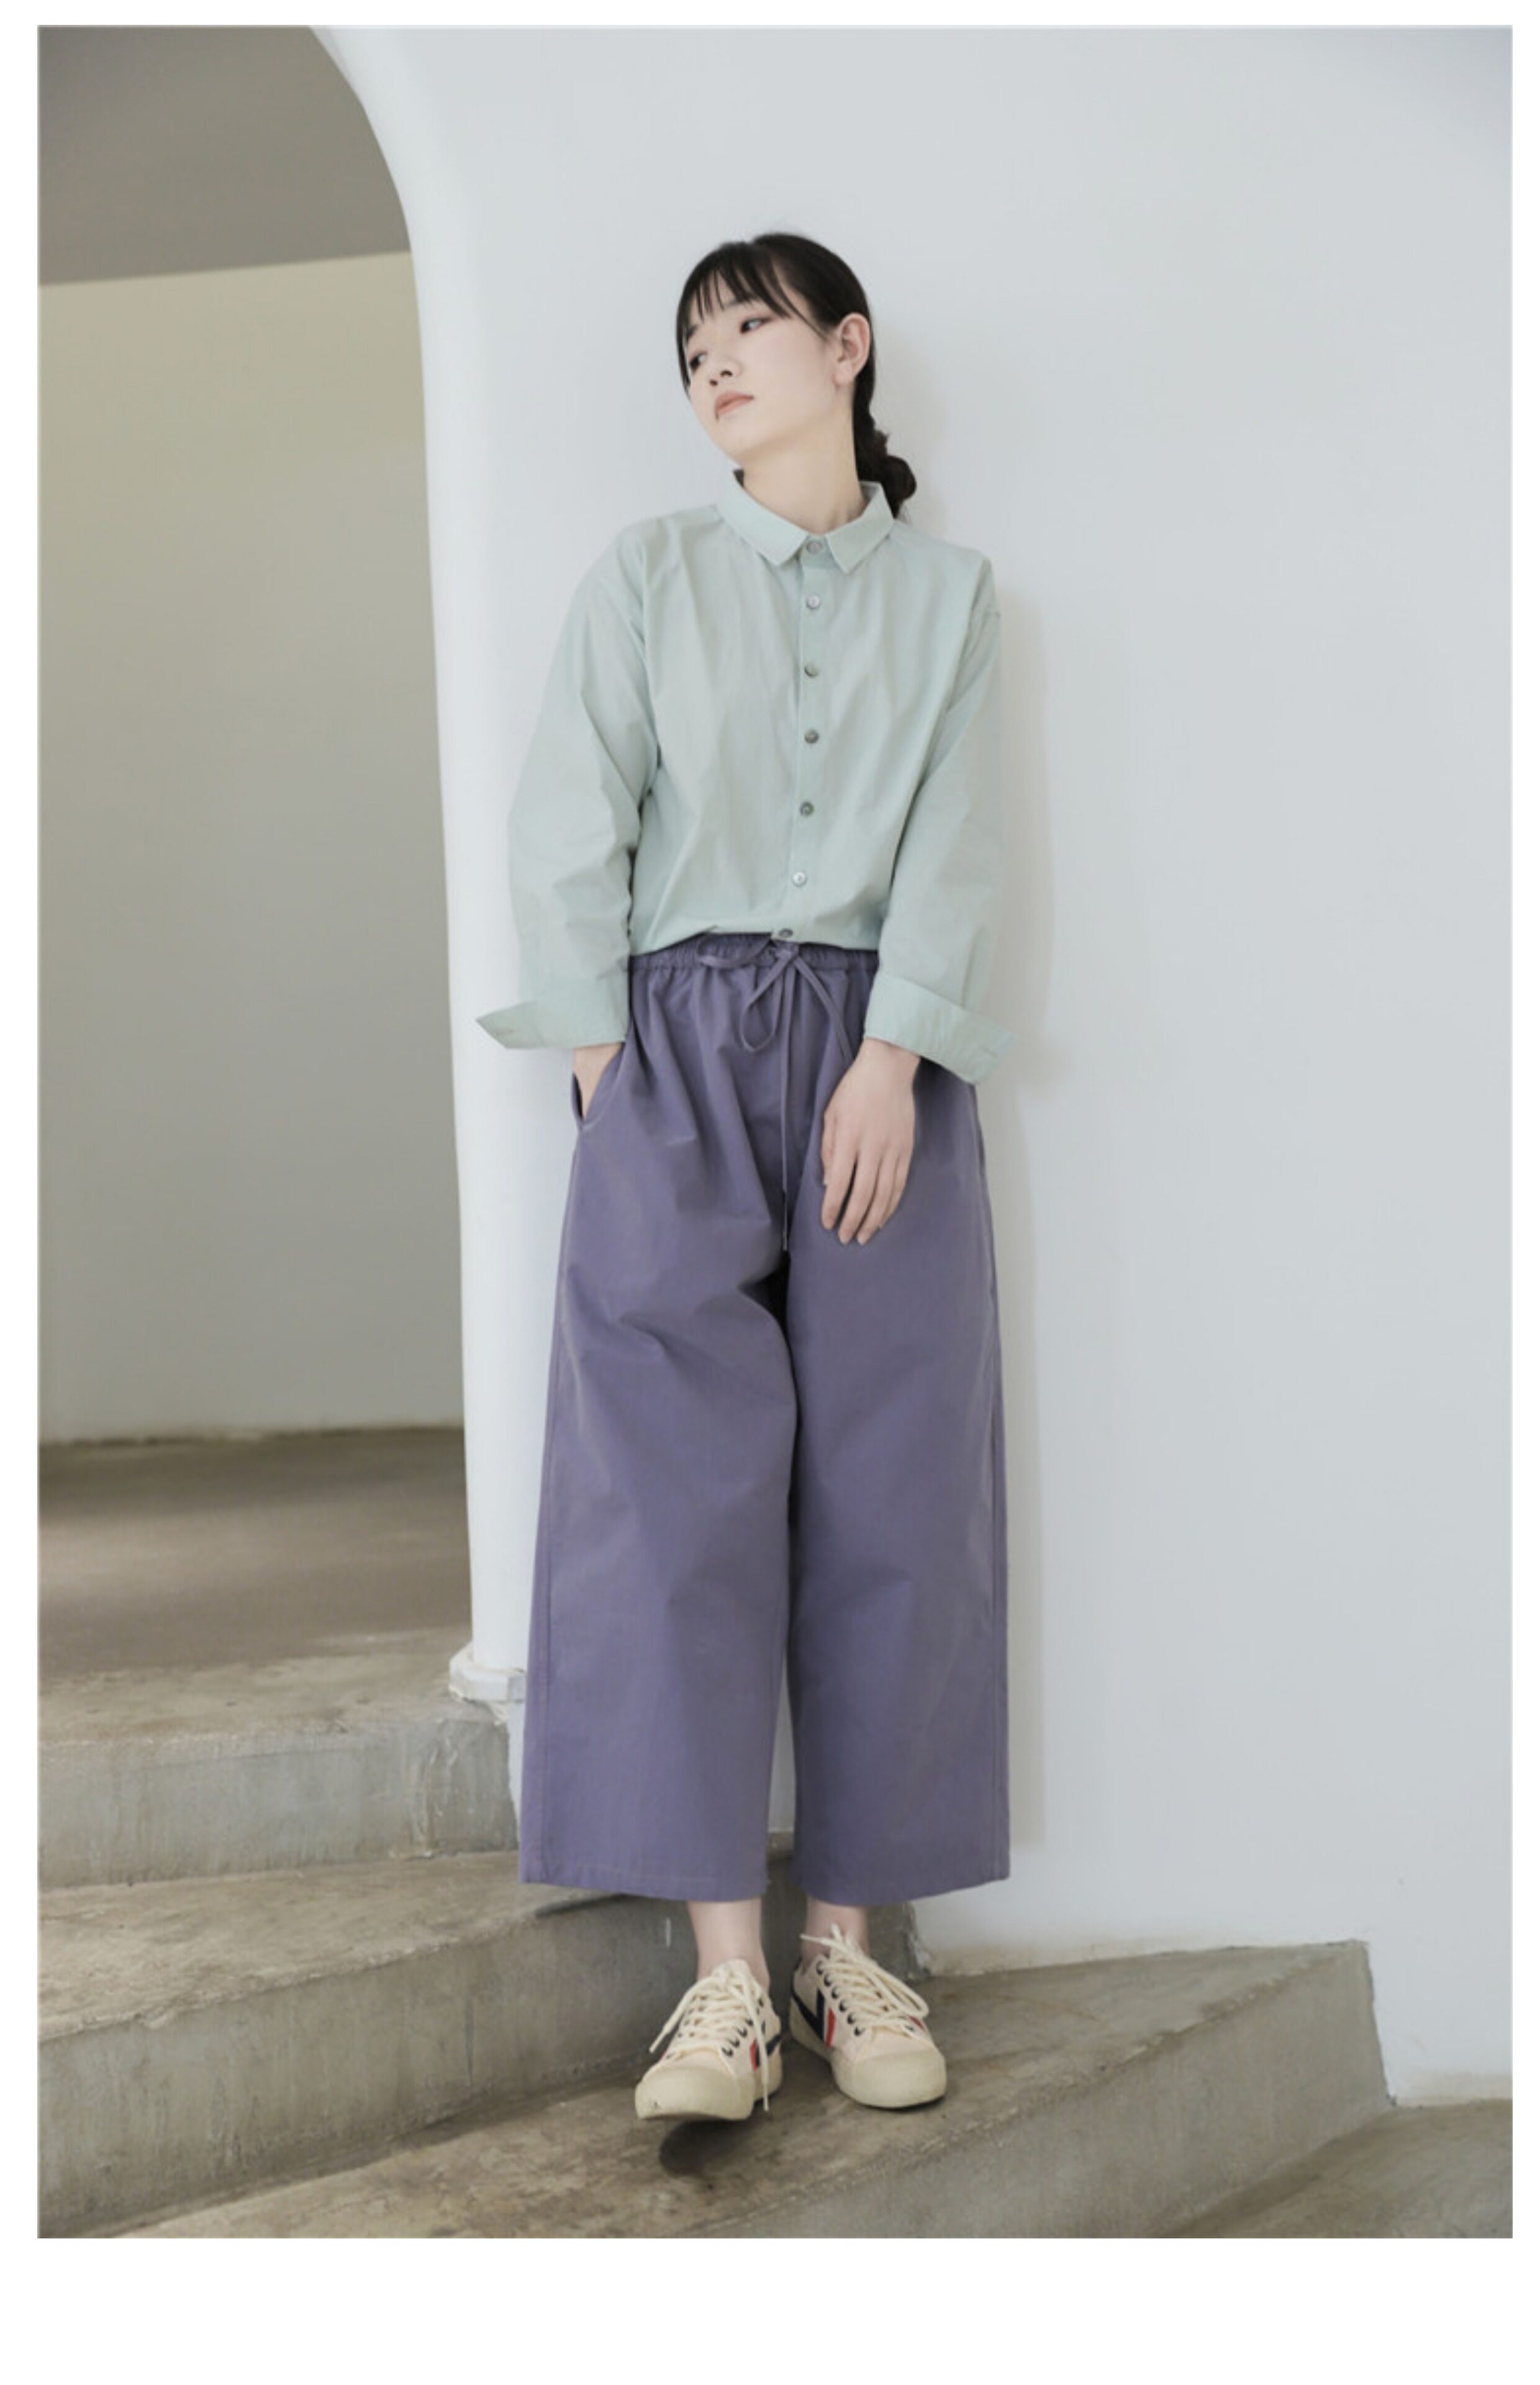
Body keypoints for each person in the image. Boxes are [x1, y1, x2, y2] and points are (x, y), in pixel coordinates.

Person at [477, 232, 1013, 2126]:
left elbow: (959, 836)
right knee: (665, 1497)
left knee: (894, 1490)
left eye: (751, 326)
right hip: (675, 1050)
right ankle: (724, 1984)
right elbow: (570, 817)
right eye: (691, 342)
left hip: (879, 1063)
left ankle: (847, 1951)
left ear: (848, 348)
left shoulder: (951, 602)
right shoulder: (645, 578)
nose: (713, 360)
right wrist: (605, 1064)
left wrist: (897, 1053)